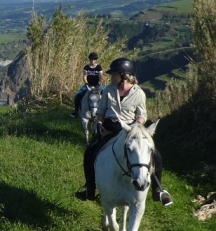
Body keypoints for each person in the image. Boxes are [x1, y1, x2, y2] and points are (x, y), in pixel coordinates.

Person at [74, 57, 173, 206]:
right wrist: (99, 124)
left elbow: (142, 115)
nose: (111, 76)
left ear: (123, 76)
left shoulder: (139, 93)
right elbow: (101, 111)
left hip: (129, 128)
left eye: (114, 74)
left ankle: (158, 190)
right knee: (90, 151)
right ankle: (89, 188)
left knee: (156, 155)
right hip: (108, 127)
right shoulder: (108, 90)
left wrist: (135, 126)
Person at [69, 52, 103, 118]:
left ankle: (107, 111)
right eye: (91, 59)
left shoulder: (99, 67)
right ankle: (76, 111)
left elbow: (101, 76)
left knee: (105, 93)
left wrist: (99, 82)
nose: (92, 60)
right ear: (89, 59)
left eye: (94, 59)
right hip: (88, 85)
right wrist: (86, 83)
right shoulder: (86, 67)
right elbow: (84, 76)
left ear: (96, 60)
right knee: (77, 95)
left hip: (97, 85)